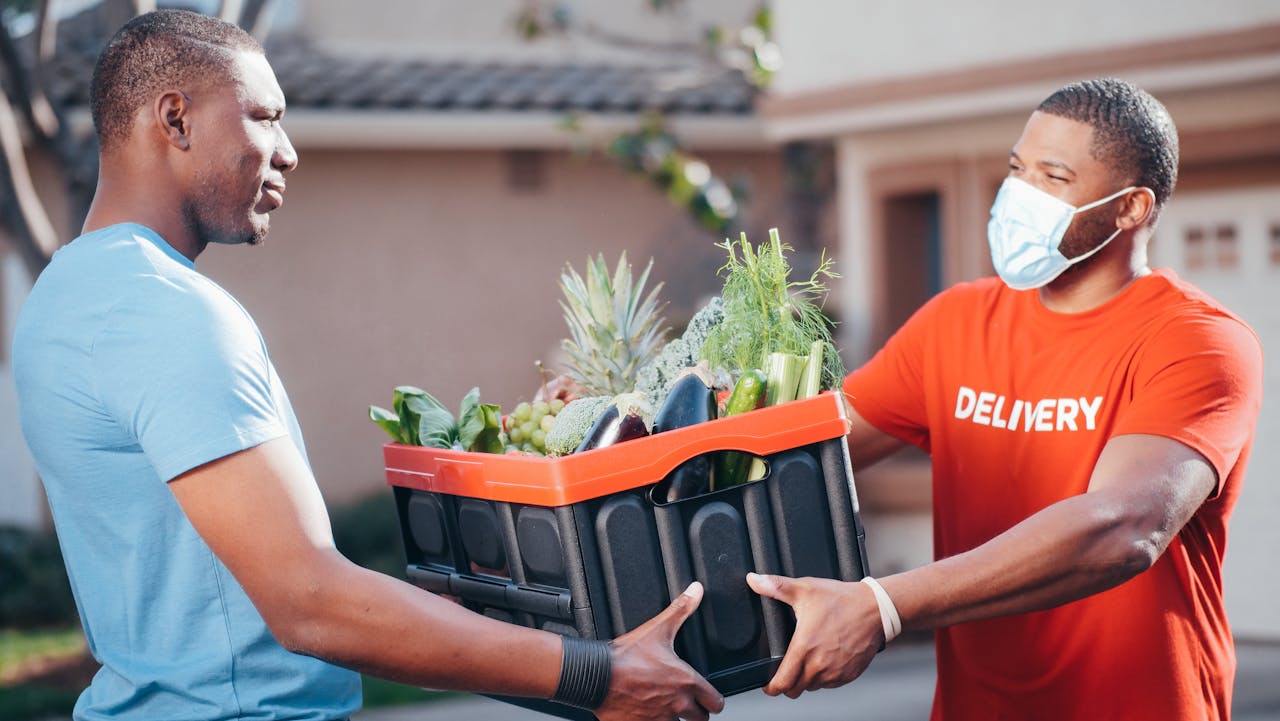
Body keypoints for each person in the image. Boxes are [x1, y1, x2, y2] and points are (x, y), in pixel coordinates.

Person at [12, 10, 723, 721]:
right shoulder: (165, 310)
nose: (287, 151)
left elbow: (217, 586)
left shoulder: (61, 299)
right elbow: (309, 606)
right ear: (176, 119)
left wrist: (421, 606)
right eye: (264, 117)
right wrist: (597, 674)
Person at [746, 77, 1262, 720]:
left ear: (1130, 208)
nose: (1019, 194)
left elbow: (1124, 529)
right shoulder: (956, 321)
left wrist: (884, 605)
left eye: (1053, 177)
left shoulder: (1198, 341)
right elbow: (805, 453)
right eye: (1017, 168)